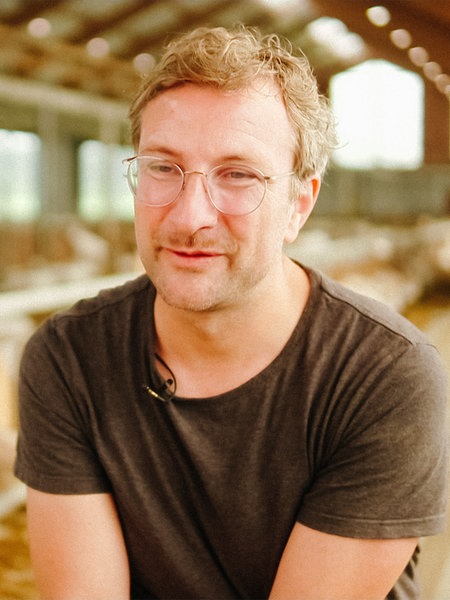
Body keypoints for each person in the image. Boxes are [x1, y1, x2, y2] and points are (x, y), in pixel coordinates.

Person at [14, 25, 448, 600]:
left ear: (299, 203)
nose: (190, 215)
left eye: (238, 175)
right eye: (163, 167)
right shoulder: (68, 358)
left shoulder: (386, 376)